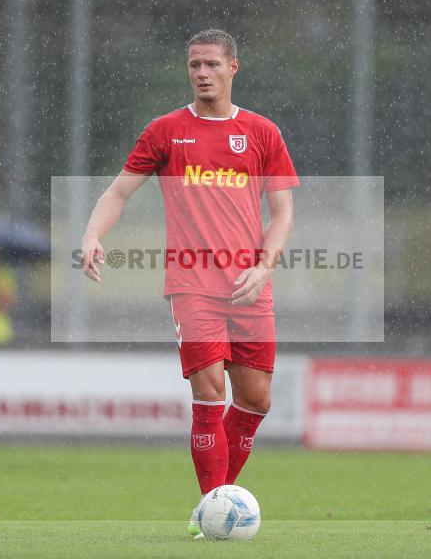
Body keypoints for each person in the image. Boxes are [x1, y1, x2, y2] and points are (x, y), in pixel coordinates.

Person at [80, 29, 298, 538]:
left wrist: (264, 266)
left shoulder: (262, 132)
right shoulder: (166, 131)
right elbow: (118, 193)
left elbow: (283, 211)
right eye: (195, 64)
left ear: (233, 68)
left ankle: (216, 506)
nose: (202, 73)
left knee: (256, 399)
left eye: (212, 64)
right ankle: (214, 514)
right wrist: (92, 234)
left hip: (249, 283)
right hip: (192, 283)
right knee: (209, 392)